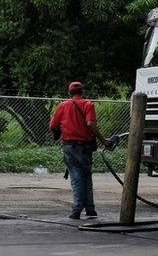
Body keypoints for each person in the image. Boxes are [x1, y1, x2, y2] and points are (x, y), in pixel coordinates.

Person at [50, 81, 112, 219]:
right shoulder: (88, 104)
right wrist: (103, 140)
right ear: (82, 91)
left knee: (76, 177)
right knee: (86, 176)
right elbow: (90, 123)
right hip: (85, 147)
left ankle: (77, 209)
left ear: (70, 92)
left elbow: (53, 125)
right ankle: (90, 209)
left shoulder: (62, 105)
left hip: (69, 146)